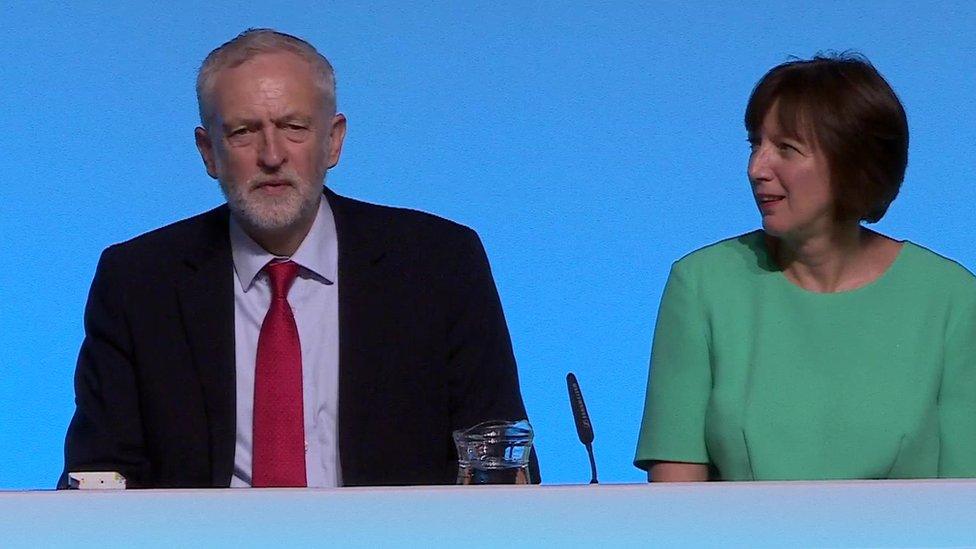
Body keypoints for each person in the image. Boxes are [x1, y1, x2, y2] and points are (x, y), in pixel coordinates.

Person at [60, 28, 538, 488]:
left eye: (293, 127)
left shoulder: (440, 264)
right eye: (244, 132)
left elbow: (500, 459)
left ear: (333, 141)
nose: (272, 155)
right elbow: (99, 475)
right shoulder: (138, 282)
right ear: (209, 153)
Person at [634, 53, 976, 481]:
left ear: (853, 163)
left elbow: (966, 502)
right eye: (755, 144)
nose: (757, 169)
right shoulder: (701, 285)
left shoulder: (952, 299)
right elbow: (675, 504)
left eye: (786, 149)